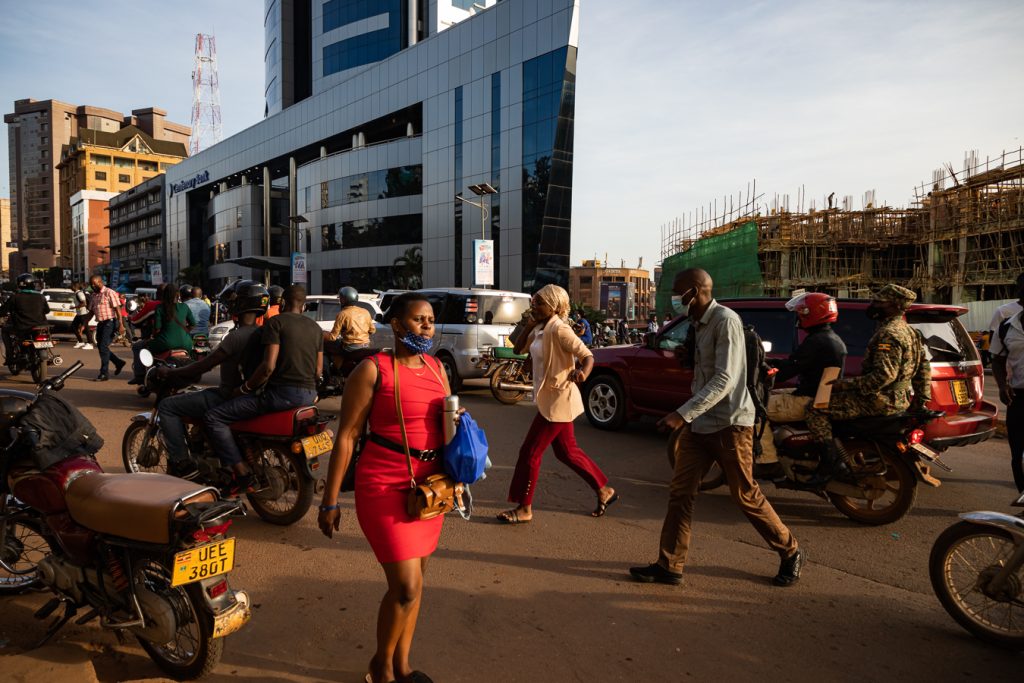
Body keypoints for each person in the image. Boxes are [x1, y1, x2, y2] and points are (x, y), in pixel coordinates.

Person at [630, 268, 802, 587]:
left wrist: (682, 414)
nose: (674, 299)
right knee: (681, 493)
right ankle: (670, 565)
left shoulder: (726, 322)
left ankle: (790, 550)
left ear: (695, 292)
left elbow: (724, 379)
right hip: (701, 423)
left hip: (731, 423)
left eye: (678, 292)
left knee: (745, 495)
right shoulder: (698, 323)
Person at [318, 292, 458, 683]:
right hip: (383, 485)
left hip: (429, 489)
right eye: (418, 319)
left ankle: (402, 664)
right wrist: (329, 501)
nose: (427, 325)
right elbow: (346, 436)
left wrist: (458, 475)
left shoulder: (436, 368)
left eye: (430, 319)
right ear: (396, 325)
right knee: (407, 586)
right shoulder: (373, 370)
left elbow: (448, 430)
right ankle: (381, 667)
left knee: (415, 585)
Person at [498, 284, 617, 524]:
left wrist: (583, 373)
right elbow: (519, 348)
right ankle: (604, 489)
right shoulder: (541, 327)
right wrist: (529, 324)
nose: (534, 306)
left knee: (531, 453)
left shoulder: (560, 329)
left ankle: (525, 508)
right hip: (550, 398)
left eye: (540, 303)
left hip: (558, 400)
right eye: (534, 302)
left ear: (554, 306)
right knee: (567, 452)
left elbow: (587, 355)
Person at [806, 284, 931, 478]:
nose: (873, 305)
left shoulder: (889, 334)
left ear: (894, 306)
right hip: (899, 399)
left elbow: (883, 377)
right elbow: (924, 368)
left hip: (881, 401)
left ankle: (830, 463)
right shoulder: (910, 332)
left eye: (879, 302)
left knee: (815, 409)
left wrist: (842, 385)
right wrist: (921, 401)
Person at [204, 285, 322, 485]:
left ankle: (240, 470)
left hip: (281, 396)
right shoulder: (316, 328)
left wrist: (243, 389)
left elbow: (268, 367)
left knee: (214, 417)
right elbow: (318, 371)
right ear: (303, 306)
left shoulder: (276, 323)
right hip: (309, 396)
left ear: (282, 303)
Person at [156, 284, 268, 480]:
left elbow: (204, 365)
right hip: (254, 397)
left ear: (239, 305)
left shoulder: (235, 337)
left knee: (167, 406)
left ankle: (183, 463)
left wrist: (172, 373)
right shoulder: (266, 333)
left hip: (228, 396)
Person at [768, 292, 847, 424]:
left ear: (813, 313)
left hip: (809, 399)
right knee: (771, 394)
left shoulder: (816, 341)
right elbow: (796, 363)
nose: (799, 316)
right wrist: (770, 361)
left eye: (802, 312)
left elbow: (785, 373)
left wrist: (763, 373)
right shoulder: (831, 338)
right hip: (818, 395)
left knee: (751, 409)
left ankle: (764, 446)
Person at [990, 277, 1024, 492]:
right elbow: (997, 359)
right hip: (1019, 398)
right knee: (1017, 454)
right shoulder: (1006, 327)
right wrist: (1002, 385)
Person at [130, 286, 195, 384]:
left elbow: (157, 328)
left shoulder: (159, 308)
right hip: (187, 343)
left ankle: (140, 376)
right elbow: (193, 324)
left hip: (165, 342)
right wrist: (185, 332)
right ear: (178, 295)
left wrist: (154, 336)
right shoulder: (184, 307)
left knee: (138, 346)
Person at [1, 273, 50, 364]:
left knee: (4, 330)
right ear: (33, 284)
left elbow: (3, 311)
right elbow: (47, 311)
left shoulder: (15, 297)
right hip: (41, 326)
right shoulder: (41, 296)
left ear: (19, 284)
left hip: (22, 326)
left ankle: (10, 357)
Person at [86, 275, 127, 381]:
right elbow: (91, 311)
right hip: (101, 323)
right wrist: (83, 323)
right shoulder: (94, 295)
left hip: (110, 322)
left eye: (94, 284)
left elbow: (117, 309)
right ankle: (118, 362)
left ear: (100, 282)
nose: (92, 286)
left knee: (103, 346)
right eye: (91, 284)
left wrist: (121, 324)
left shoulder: (109, 292)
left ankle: (104, 373)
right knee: (101, 347)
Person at [71, 282, 95, 350]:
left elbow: (84, 303)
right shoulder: (76, 293)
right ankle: (81, 341)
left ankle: (90, 343)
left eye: (72, 286)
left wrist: (74, 307)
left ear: (75, 287)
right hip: (79, 314)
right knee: (74, 326)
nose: (71, 287)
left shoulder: (79, 293)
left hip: (83, 313)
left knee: (86, 328)